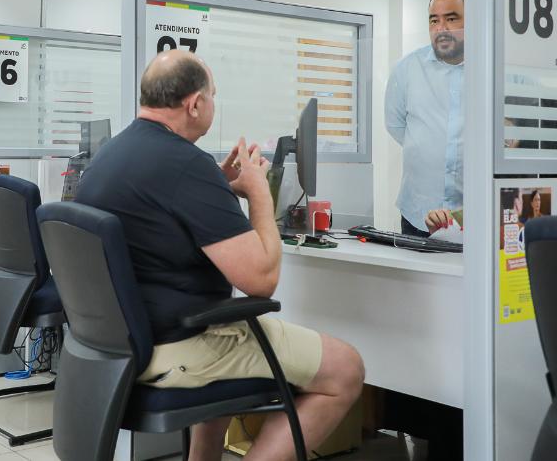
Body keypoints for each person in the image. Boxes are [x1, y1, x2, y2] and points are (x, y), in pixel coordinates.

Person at [75, 50, 364, 461]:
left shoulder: (112, 155)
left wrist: (220, 191)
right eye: (212, 95)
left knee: (230, 333)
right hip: (177, 344)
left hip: (120, 343)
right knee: (346, 369)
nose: (213, 103)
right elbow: (261, 279)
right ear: (195, 104)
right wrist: (260, 193)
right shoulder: (186, 165)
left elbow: (159, 216)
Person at [385, 0, 464, 238]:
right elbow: (397, 126)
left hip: (474, 216)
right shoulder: (407, 70)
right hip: (417, 214)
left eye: (451, 19)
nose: (441, 28)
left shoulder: (495, 72)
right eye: (434, 20)